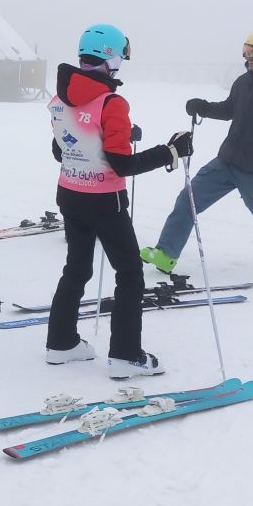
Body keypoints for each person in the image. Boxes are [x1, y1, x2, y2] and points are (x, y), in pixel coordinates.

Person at [45, 24, 193, 378]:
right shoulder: (112, 102)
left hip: (70, 195)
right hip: (104, 201)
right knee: (129, 273)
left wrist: (119, 133)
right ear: (111, 58)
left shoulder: (59, 98)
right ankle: (126, 355)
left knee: (76, 268)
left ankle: (61, 343)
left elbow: (61, 150)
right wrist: (171, 151)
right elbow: (122, 165)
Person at [141, 29, 253, 273]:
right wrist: (203, 107)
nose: (247, 57)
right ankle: (166, 254)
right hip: (226, 163)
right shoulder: (244, 82)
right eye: (245, 51)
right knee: (188, 200)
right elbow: (229, 109)